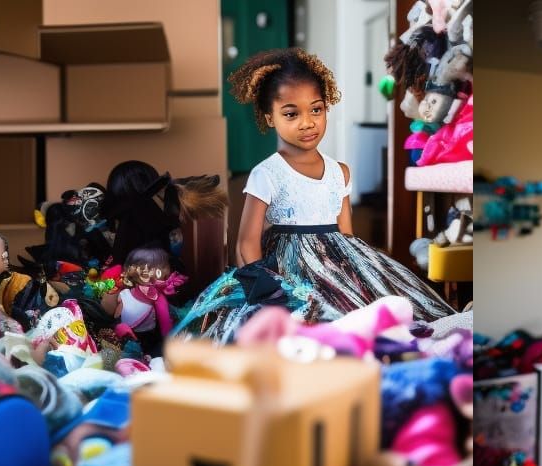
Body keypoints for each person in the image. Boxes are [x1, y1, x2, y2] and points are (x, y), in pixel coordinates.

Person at [173, 48, 454, 344]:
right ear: (270, 118)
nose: (307, 122)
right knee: (301, 322)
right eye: (291, 114)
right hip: (286, 268)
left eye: (316, 109)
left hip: (339, 264)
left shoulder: (340, 171)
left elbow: (346, 234)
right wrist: (265, 291)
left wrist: (357, 278)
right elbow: (246, 242)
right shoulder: (266, 173)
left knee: (383, 316)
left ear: (326, 108)